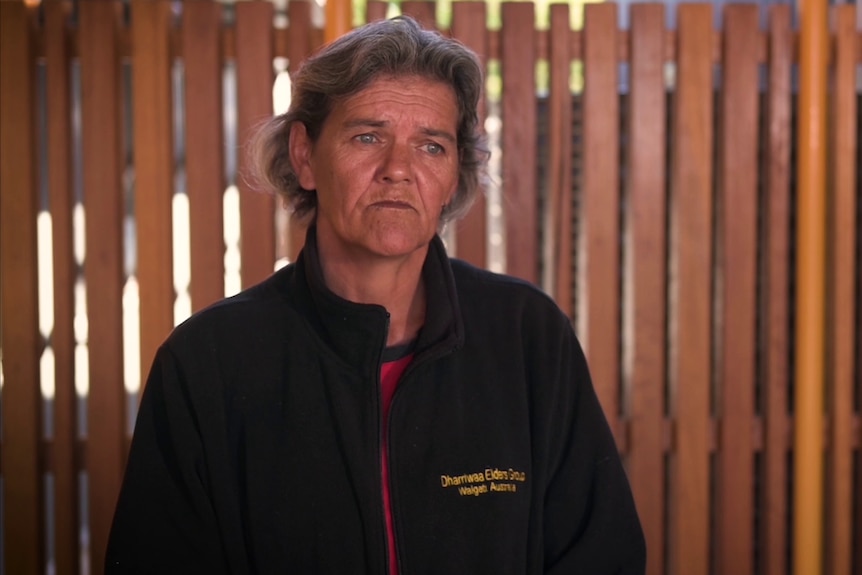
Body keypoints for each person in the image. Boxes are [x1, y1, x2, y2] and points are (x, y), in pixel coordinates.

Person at [106, 16, 645, 574]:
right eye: (368, 137)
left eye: (430, 146)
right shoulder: (208, 364)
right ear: (305, 156)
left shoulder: (526, 335)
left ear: (455, 176)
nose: (398, 170)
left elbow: (603, 555)